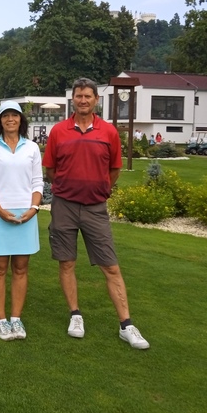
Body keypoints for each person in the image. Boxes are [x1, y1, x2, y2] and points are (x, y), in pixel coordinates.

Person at [43, 77, 150, 349]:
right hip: (64, 206)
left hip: (95, 208)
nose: (83, 100)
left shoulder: (109, 132)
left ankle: (126, 325)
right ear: (73, 99)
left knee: (110, 266)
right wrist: (69, 186)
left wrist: (99, 189)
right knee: (66, 262)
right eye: (78, 96)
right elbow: (50, 170)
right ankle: (75, 315)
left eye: (87, 96)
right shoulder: (58, 131)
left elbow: (114, 170)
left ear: (95, 100)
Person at [0, 101, 43, 341]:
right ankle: (1, 320)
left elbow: (37, 182)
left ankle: (16, 318)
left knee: (21, 268)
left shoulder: (32, 148)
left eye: (14, 115)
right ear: (0, 120)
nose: (10, 119)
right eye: (5, 116)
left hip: (26, 216)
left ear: (20, 119)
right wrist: (0, 211)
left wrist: (33, 209)